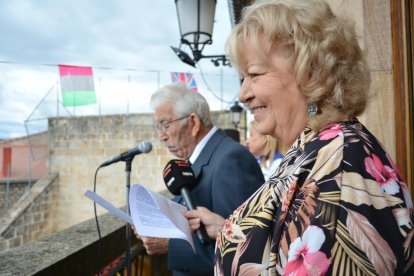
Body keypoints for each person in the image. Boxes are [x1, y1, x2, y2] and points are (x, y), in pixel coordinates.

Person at [185, 0, 414, 275]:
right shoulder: (317, 148)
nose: (242, 95)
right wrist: (225, 228)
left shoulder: (340, 169)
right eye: (243, 78)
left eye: (254, 74)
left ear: (310, 71)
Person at [134, 82, 264, 275]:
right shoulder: (201, 160)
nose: (161, 136)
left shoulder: (230, 159)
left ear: (193, 122)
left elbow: (243, 252)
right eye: (158, 126)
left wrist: (170, 244)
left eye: (165, 124)